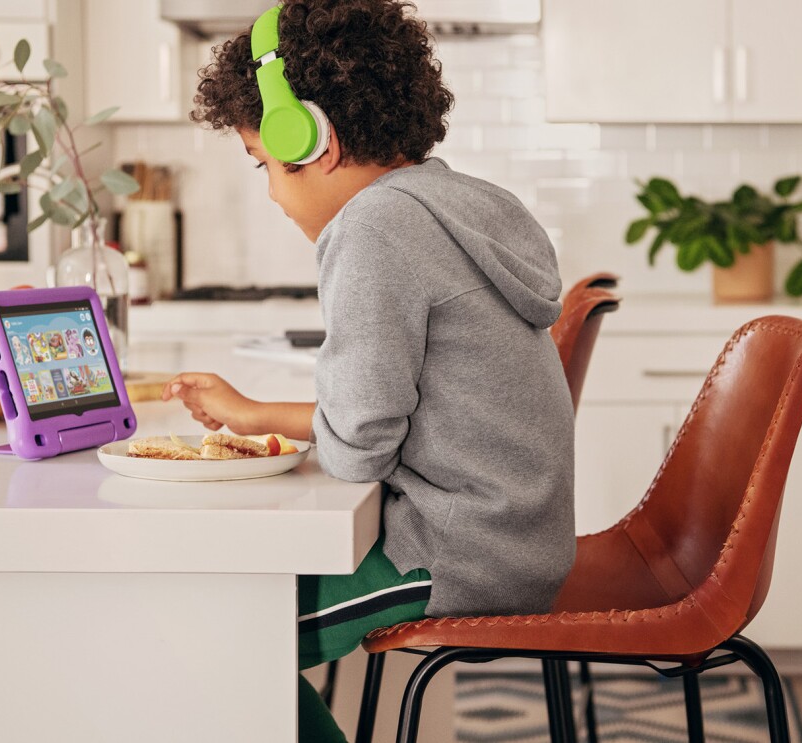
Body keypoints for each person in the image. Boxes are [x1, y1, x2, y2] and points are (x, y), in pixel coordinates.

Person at [163, 1, 574, 739]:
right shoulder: (452, 201)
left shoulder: (375, 226)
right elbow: (389, 420)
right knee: (215, 622)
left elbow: (359, 450)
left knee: (210, 627)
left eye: (265, 164)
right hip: (507, 537)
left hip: (452, 555)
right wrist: (257, 415)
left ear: (310, 136)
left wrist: (313, 425)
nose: (272, 193)